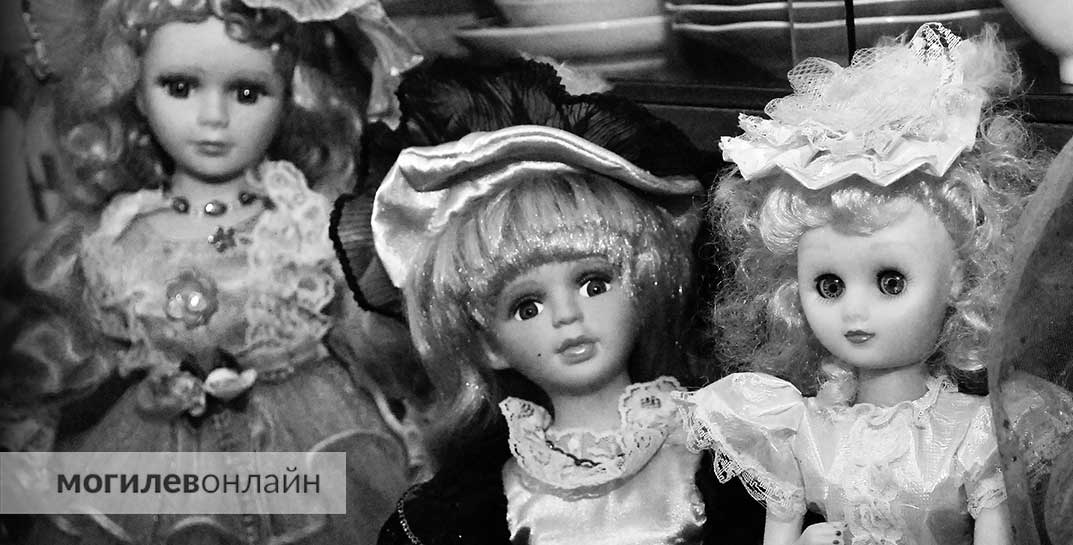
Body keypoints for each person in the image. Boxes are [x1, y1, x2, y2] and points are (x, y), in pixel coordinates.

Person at [0, 0, 425, 543]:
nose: (213, 118)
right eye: (179, 87)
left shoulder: (305, 223)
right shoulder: (112, 235)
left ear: (292, 96)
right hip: (152, 457)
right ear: (135, 91)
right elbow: (66, 364)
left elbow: (373, 344)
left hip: (308, 443)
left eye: (247, 92)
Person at [331, 58, 765, 545]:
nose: (567, 315)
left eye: (594, 285)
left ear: (645, 287)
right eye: (526, 307)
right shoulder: (463, 513)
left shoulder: (728, 466)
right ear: (489, 344)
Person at [677, 23, 1048, 545]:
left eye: (891, 282)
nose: (855, 312)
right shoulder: (799, 428)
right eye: (829, 286)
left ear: (960, 277)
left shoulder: (973, 431)